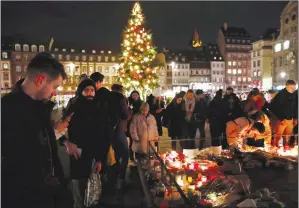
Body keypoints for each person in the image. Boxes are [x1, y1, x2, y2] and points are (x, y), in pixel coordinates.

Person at [2, 52, 72, 208]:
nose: (55, 92)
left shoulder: (40, 108)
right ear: (40, 80)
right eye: (55, 86)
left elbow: (48, 154)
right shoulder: (7, 111)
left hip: (48, 196)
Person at [66, 79, 105, 208]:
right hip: (77, 155)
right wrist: (67, 142)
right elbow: (59, 130)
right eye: (86, 90)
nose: (90, 93)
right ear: (80, 92)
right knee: (78, 192)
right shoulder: (73, 107)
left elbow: (102, 136)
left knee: (92, 193)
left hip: (93, 156)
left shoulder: (98, 109)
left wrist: (100, 159)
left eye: (92, 90)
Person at [109, 84, 130, 191]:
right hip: (118, 128)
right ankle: (120, 180)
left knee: (115, 154)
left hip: (108, 130)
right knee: (125, 154)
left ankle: (113, 178)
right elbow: (125, 115)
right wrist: (129, 110)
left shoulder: (107, 97)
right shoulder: (121, 98)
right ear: (120, 89)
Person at [270, 80, 298, 149]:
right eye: (291, 88)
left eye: (294, 88)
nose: (293, 89)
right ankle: (275, 147)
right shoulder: (280, 95)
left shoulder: (295, 95)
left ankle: (286, 146)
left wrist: (296, 118)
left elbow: (296, 107)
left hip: (290, 119)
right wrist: (280, 118)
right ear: (287, 87)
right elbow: (273, 107)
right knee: (278, 135)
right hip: (281, 120)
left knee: (288, 135)